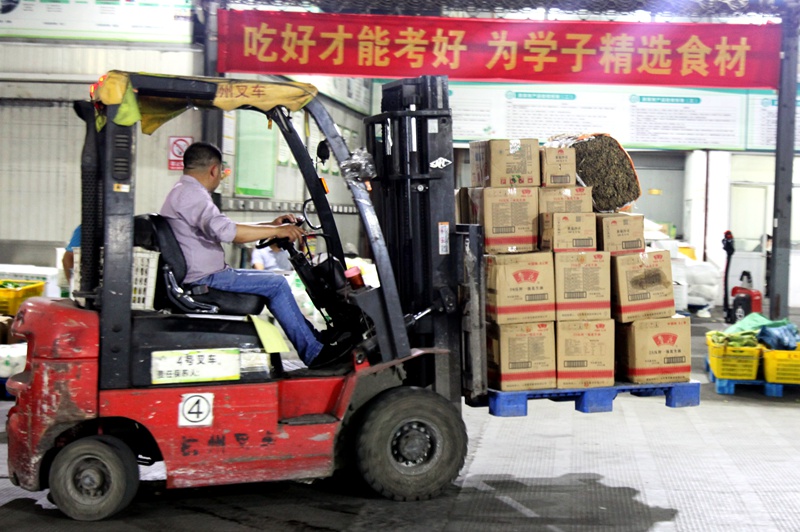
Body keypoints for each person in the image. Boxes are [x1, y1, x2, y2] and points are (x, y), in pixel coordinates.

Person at [159, 142, 345, 367]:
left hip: (208, 274)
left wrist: (270, 225)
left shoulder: (185, 192)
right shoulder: (192, 195)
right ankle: (315, 352)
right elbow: (228, 232)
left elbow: (226, 225)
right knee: (276, 284)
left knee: (275, 281)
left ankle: (314, 339)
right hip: (206, 279)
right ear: (214, 170)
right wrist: (277, 230)